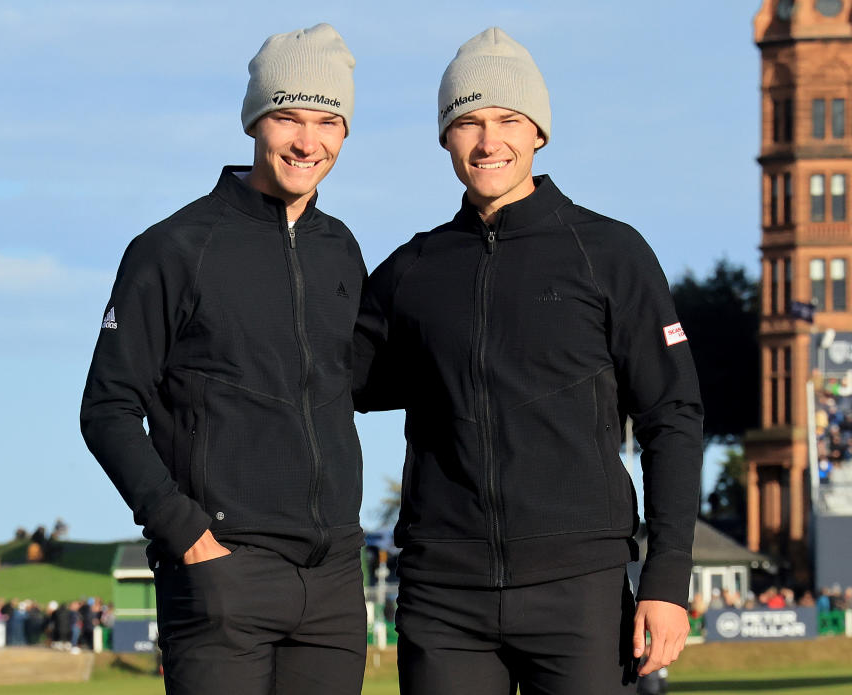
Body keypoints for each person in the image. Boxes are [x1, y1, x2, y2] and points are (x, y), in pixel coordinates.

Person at [354, 27, 703, 695]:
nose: (489, 141)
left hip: (582, 594)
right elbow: (322, 379)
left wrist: (667, 581)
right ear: (445, 137)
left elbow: (673, 417)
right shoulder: (410, 272)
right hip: (443, 599)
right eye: (469, 122)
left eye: (509, 120)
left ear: (539, 131)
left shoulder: (610, 254)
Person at [80, 23, 367, 695]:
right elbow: (107, 407)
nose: (307, 140)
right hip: (222, 573)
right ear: (254, 121)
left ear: (346, 132)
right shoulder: (174, 247)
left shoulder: (342, 251)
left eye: (328, 121)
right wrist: (187, 533)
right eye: (287, 116)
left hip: (332, 586)